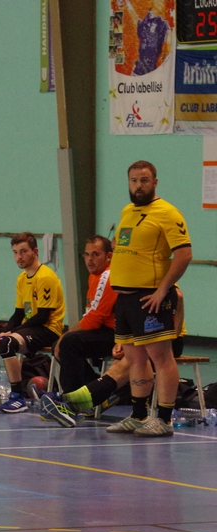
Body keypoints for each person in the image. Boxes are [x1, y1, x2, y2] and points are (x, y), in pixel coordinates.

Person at [99, 160, 192, 437]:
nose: (138, 186)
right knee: (135, 358)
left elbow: (184, 254)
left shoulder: (167, 213)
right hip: (125, 299)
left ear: (155, 182)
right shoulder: (127, 211)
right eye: (133, 181)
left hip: (150, 298)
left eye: (144, 180)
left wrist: (163, 290)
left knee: (161, 358)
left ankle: (163, 419)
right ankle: (138, 415)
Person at [41, 287, 186, 427]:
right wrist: (123, 341)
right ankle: (125, 410)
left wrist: (172, 335)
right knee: (118, 366)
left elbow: (178, 296)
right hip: (141, 337)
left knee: (123, 368)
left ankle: (70, 403)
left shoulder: (153, 281)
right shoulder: (131, 288)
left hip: (163, 337)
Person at [0, 232, 64, 413]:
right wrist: (8, 329)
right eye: (15, 252)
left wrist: (11, 333)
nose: (19, 257)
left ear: (35, 252)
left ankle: (18, 397)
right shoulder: (21, 279)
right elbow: (18, 314)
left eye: (23, 251)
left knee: (6, 342)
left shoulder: (45, 277)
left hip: (48, 329)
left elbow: (42, 316)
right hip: (29, 327)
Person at [53, 235, 116, 393]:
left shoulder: (107, 277)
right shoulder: (93, 276)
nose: (89, 259)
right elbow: (89, 313)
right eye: (87, 254)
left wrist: (65, 335)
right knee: (60, 345)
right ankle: (94, 389)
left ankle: (70, 397)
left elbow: (93, 320)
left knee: (69, 342)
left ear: (108, 256)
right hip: (103, 330)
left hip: (116, 334)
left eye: (96, 254)